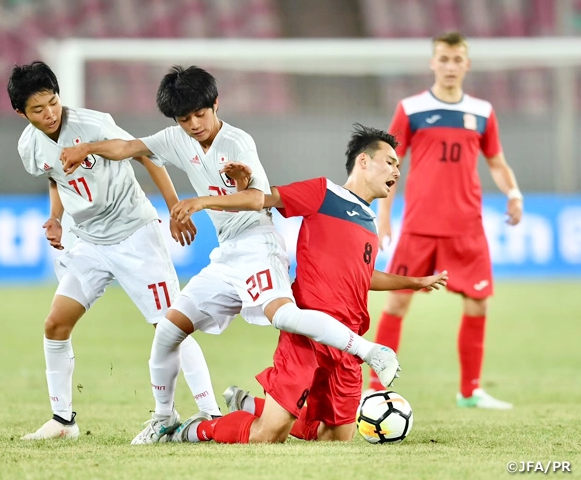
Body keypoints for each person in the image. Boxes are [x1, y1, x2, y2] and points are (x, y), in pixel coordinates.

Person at [59, 66, 402, 444]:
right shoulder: (175, 139)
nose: (193, 124)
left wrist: (205, 199)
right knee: (169, 331)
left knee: (285, 317)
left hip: (258, 243)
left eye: (200, 114)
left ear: (215, 104)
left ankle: (370, 350)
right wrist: (87, 148)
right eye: (184, 118)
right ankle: (164, 418)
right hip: (227, 255)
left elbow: (255, 198)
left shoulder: (237, 143)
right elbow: (127, 148)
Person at [162, 124, 448, 444]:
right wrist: (203, 202)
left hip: (348, 339)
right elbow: (262, 200)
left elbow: (363, 276)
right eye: (391, 161)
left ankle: (253, 404)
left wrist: (414, 281)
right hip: (308, 332)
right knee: (267, 436)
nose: (397, 169)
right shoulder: (324, 193)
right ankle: (196, 429)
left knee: (335, 439)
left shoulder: (368, 221)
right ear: (364, 162)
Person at [7, 61, 221, 440]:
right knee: (56, 324)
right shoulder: (29, 146)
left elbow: (146, 155)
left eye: (53, 102)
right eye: (38, 109)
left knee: (171, 327)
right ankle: (62, 421)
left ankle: (210, 413)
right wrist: (55, 218)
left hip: (134, 235)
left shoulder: (93, 124)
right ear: (21, 113)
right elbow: (55, 179)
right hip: (90, 242)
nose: (50, 113)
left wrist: (173, 206)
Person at [368, 32, 523, 409]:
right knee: (396, 305)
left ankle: (470, 391)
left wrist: (513, 192)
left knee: (477, 305)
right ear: (432, 63)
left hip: (466, 228)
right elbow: (390, 163)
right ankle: (375, 387)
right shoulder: (411, 108)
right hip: (420, 226)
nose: (450, 66)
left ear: (466, 65)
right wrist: (383, 215)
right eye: (444, 58)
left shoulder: (483, 112)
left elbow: (496, 162)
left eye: (457, 60)